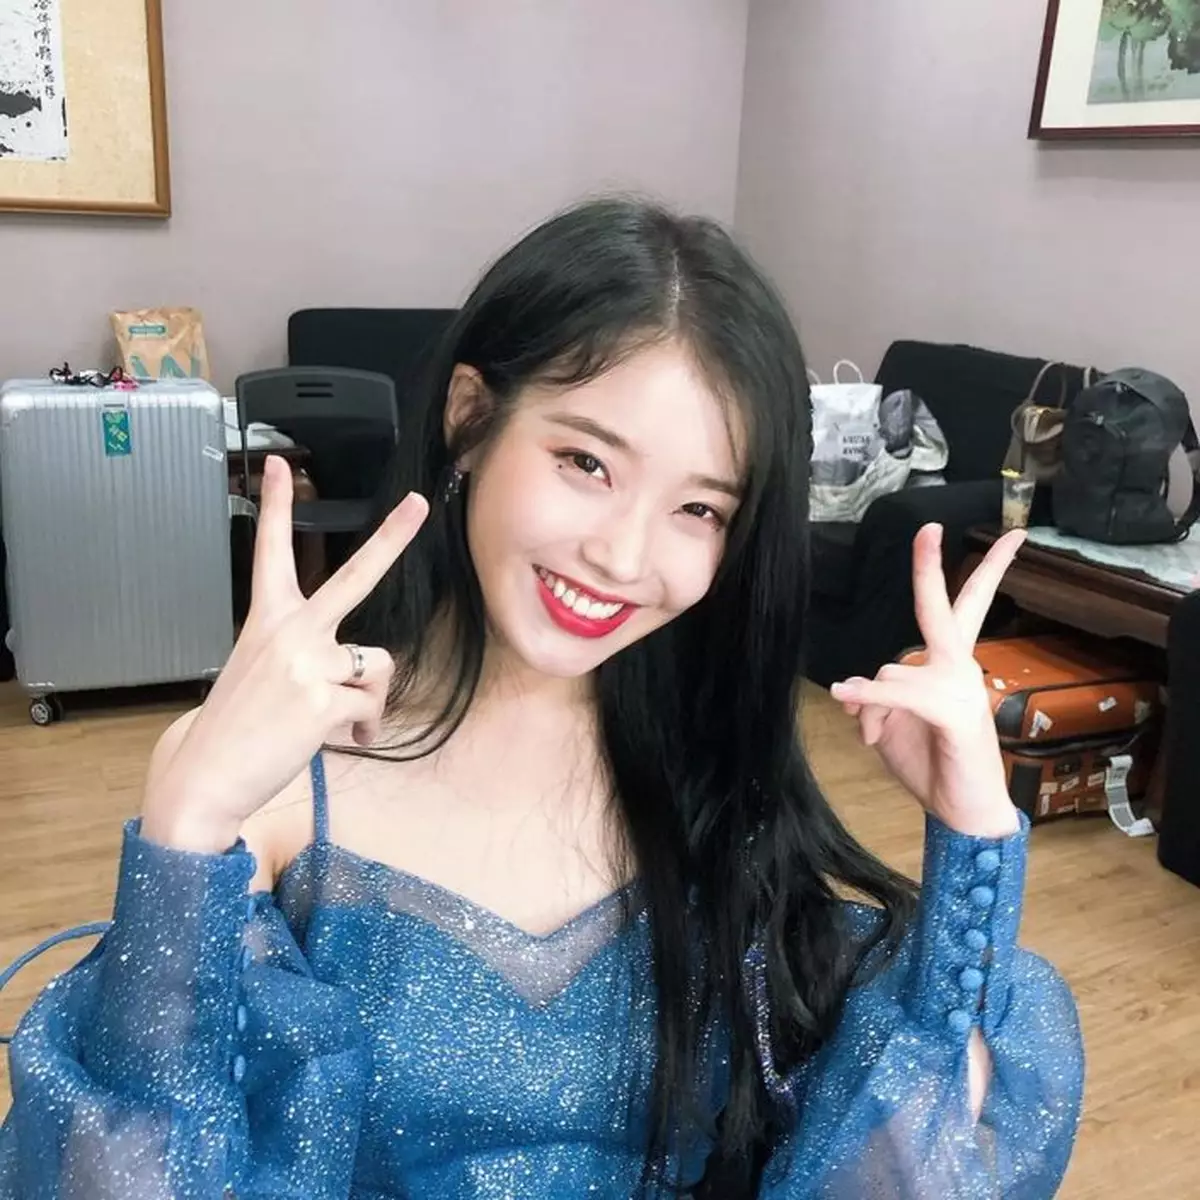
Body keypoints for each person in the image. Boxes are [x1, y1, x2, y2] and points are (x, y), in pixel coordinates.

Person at [0, 198, 1083, 1198]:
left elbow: (920, 1162)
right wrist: (187, 827)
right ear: (471, 418)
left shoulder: (719, 799)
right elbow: (127, 1171)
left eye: (699, 510)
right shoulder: (278, 792)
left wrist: (974, 840)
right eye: (587, 463)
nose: (624, 556)